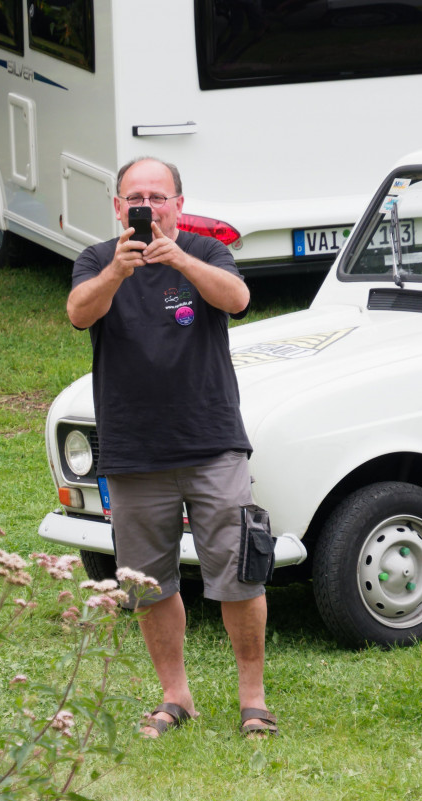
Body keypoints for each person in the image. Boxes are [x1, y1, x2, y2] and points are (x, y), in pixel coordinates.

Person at [66, 157, 277, 739]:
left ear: (179, 204)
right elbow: (79, 313)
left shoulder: (205, 252)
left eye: (158, 197)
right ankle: (175, 697)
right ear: (117, 207)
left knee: (239, 573)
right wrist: (118, 271)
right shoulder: (97, 259)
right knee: (147, 584)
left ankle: (254, 701)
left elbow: (237, 299)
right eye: (135, 197)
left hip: (212, 443)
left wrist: (177, 258)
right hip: (133, 451)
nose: (147, 207)